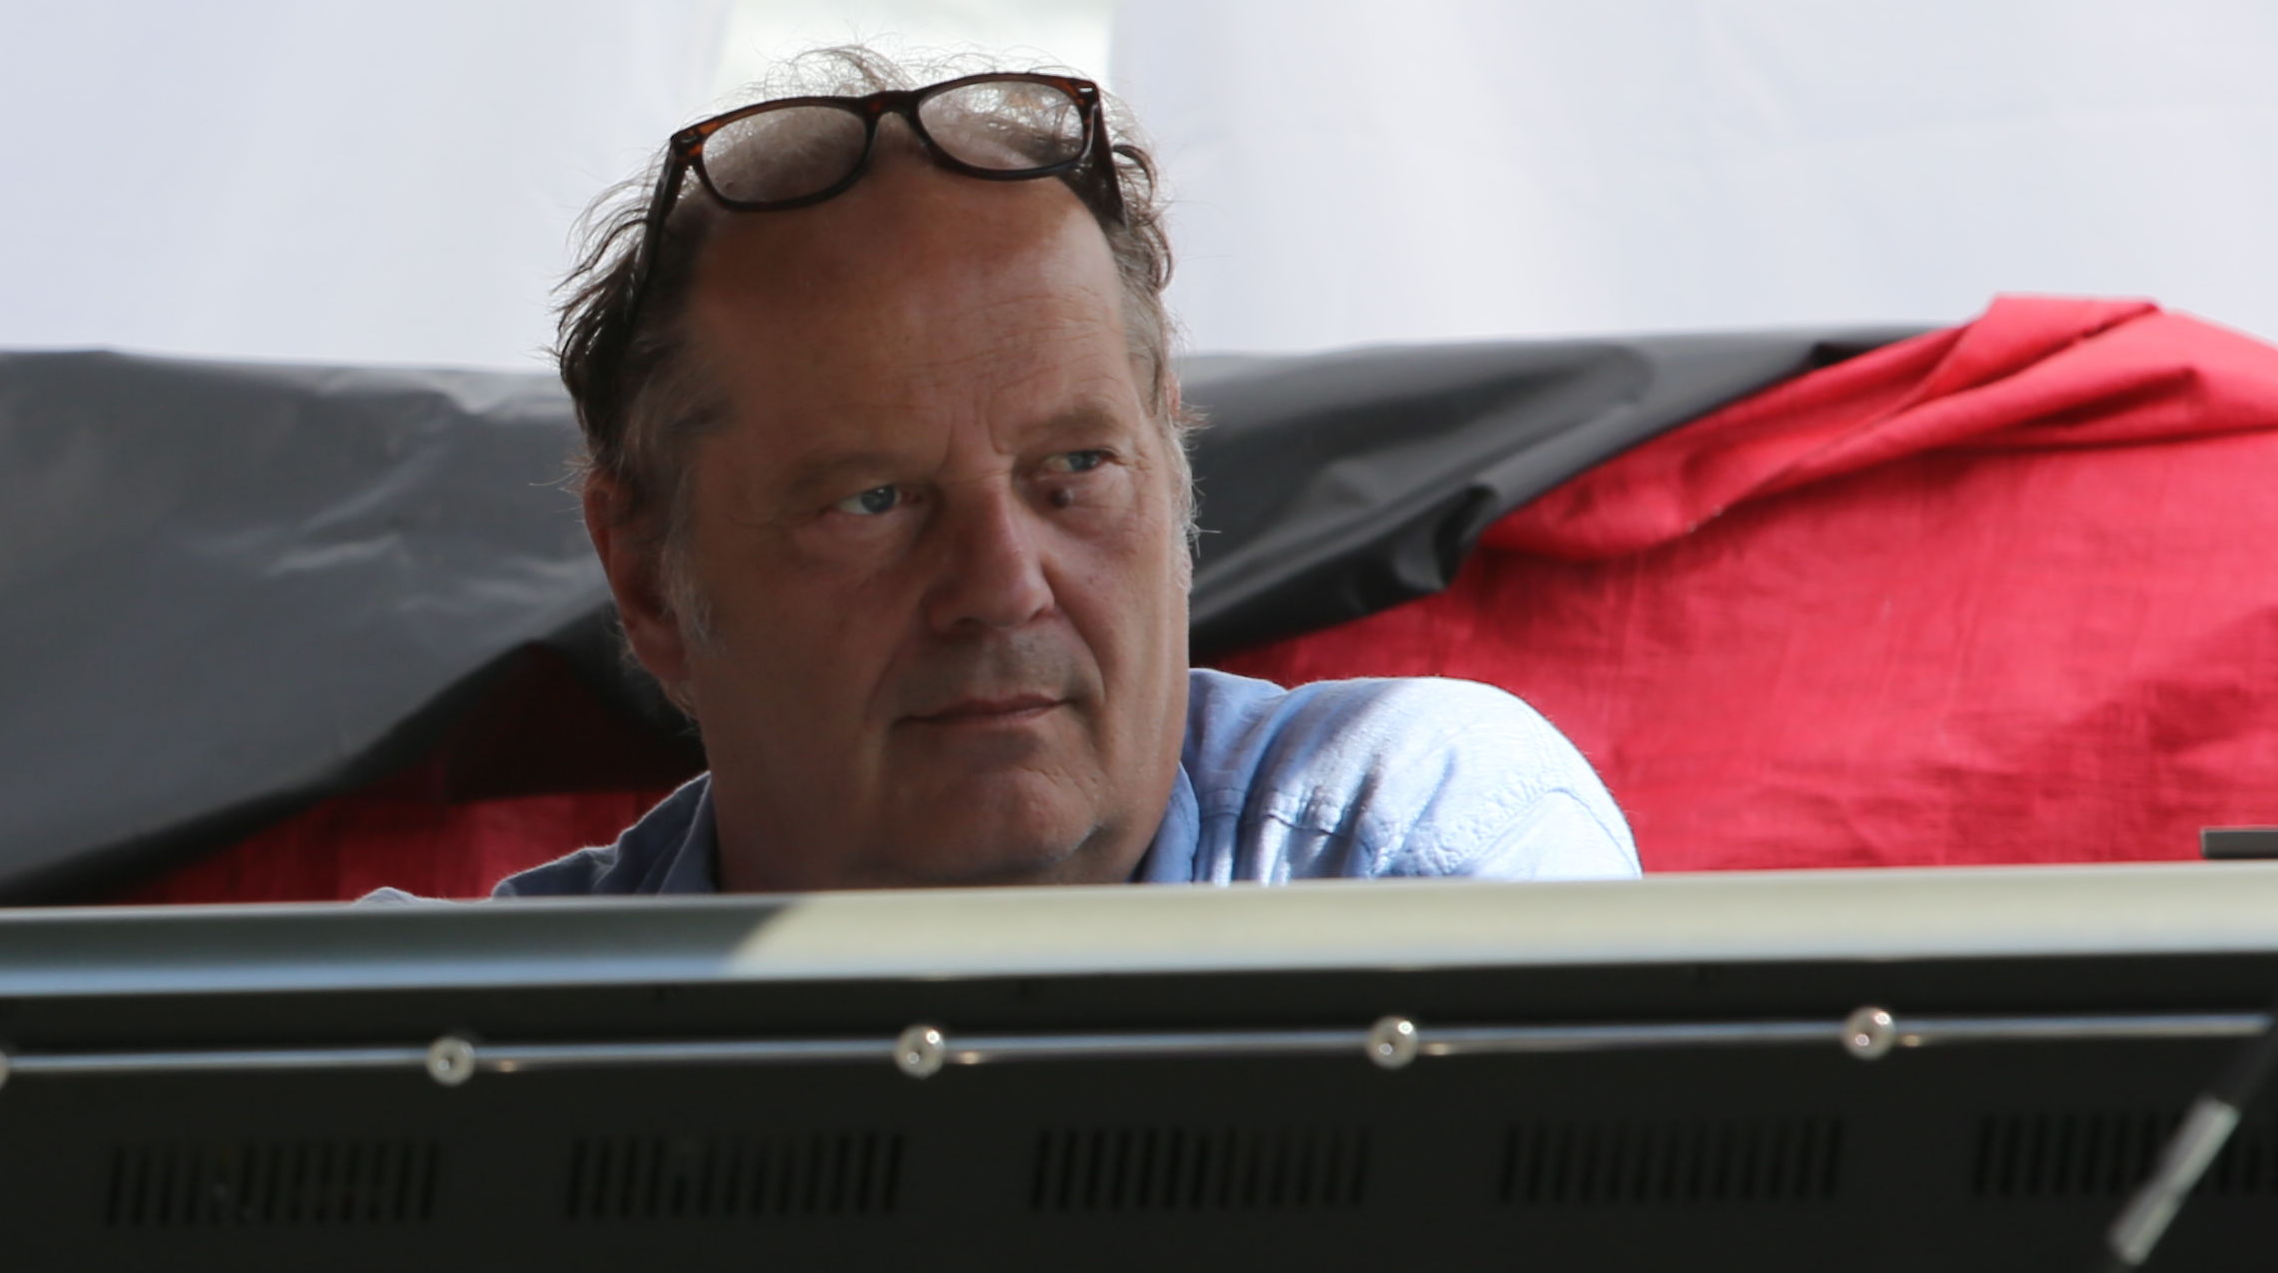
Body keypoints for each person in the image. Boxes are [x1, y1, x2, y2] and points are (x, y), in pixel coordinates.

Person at [498, 57, 1631, 897]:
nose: (1002, 588)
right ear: (647, 579)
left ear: (1176, 479)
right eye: (874, 500)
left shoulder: (1418, 855)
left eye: (1076, 468)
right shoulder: (464, 1045)